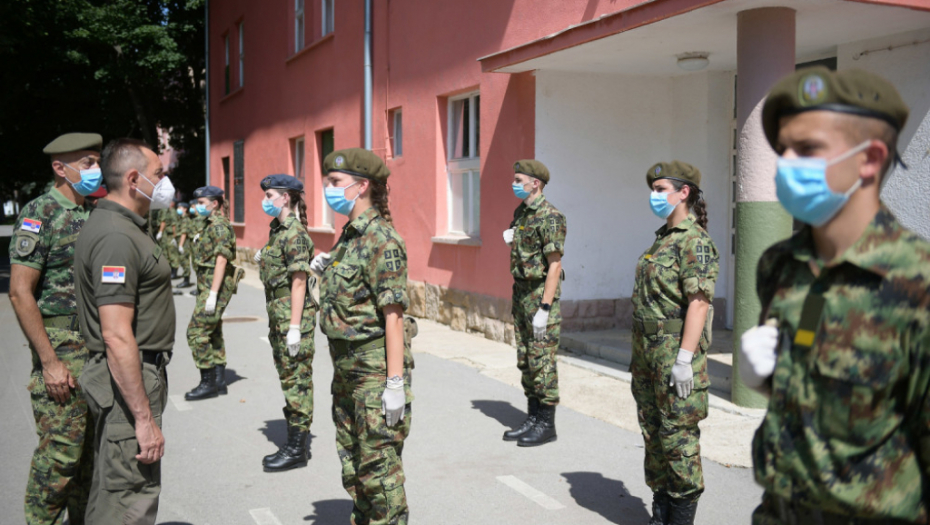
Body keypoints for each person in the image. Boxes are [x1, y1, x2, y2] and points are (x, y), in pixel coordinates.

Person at [741, 67, 930, 524]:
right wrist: (765, 380)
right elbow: (820, 391)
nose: (786, 162)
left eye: (807, 150)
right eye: (782, 148)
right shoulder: (781, 266)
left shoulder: (916, 283)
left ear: (870, 159)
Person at [74, 137, 176, 524]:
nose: (164, 182)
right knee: (129, 498)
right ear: (134, 179)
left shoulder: (124, 226)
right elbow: (116, 335)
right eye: (158, 174)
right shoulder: (117, 236)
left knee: (113, 490)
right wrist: (144, 419)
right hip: (128, 379)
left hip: (130, 376)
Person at [315, 148, 413, 524]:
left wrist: (394, 383)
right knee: (354, 466)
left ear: (362, 186)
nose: (329, 189)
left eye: (336, 183)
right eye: (328, 182)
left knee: (379, 473)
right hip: (346, 370)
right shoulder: (350, 237)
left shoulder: (382, 240)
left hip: (372, 373)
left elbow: (394, 317)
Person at [10, 132, 102, 525]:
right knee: (59, 458)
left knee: (88, 459)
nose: (96, 170)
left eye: (97, 161)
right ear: (60, 168)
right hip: (61, 352)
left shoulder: (94, 213)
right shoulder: (40, 214)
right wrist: (48, 361)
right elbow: (19, 291)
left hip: (96, 351)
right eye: (87, 163)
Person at [631, 161, 718, 525]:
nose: (654, 195)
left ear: (684, 192)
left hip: (673, 355)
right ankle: (660, 513)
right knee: (653, 433)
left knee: (678, 438)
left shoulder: (694, 241)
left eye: (661, 188)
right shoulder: (662, 238)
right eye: (652, 188)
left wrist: (684, 359)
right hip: (648, 356)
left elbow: (698, 302)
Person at [500, 160, 566, 447]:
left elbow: (554, 265)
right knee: (526, 358)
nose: (515, 184)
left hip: (540, 295)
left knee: (543, 362)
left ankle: (546, 424)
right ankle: (532, 417)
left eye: (519, 179)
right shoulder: (522, 212)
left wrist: (545, 308)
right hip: (521, 294)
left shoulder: (551, 217)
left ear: (535, 183)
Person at [255, 174, 318, 472]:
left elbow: (299, 281)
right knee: (288, 377)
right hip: (278, 317)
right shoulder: (278, 232)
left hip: (293, 320)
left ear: (286, 198)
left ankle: (297, 448)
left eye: (270, 196)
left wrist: (295, 327)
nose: (265, 201)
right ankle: (296, 442)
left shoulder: (294, 233)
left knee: (297, 382)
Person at [184, 185, 238, 401]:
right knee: (212, 331)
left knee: (196, 333)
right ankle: (219, 381)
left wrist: (213, 294)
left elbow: (222, 260)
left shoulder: (219, 227)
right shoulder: (208, 224)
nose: (198, 206)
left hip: (213, 286)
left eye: (202, 203)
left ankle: (207, 383)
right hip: (206, 284)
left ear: (215, 204)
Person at [173, 200, 193, 290]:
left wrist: (180, 245)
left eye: (180, 208)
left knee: (185, 261)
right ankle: (186, 280)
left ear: (185, 209)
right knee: (182, 260)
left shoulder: (185, 219)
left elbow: (184, 233)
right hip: (180, 242)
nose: (178, 209)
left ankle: (186, 280)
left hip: (184, 243)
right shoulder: (181, 218)